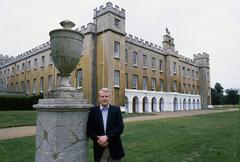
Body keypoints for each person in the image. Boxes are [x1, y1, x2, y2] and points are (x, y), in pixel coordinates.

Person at [87, 88, 125, 162]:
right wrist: (97, 139)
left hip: (114, 147)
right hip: (99, 148)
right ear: (99, 98)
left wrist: (107, 137)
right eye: (102, 96)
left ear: (109, 98)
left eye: (106, 96)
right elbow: (89, 130)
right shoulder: (93, 111)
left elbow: (120, 127)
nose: (104, 98)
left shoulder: (116, 110)